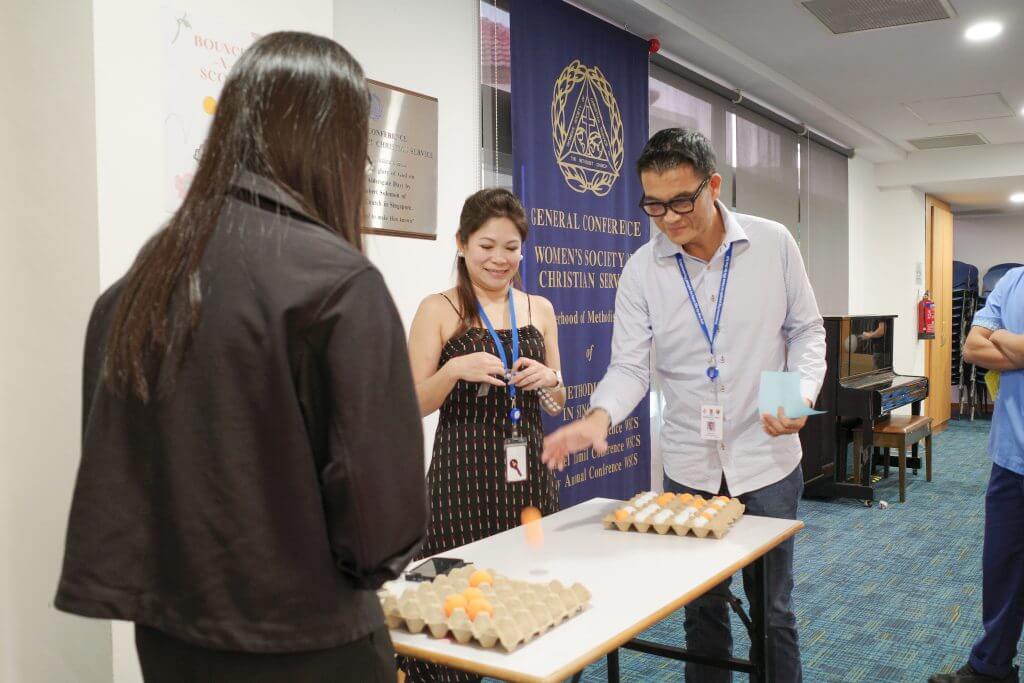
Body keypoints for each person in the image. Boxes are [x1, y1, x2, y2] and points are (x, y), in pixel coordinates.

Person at [55, 32, 426, 682]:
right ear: (336, 146)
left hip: (172, 645)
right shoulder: (338, 285)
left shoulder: (138, 287)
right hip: (311, 645)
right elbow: (382, 532)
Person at [541, 128, 825, 683]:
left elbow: (806, 331)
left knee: (773, 611)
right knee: (702, 610)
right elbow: (628, 367)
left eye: (680, 201)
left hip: (764, 457)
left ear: (713, 185)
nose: (668, 218)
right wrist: (597, 417)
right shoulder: (642, 270)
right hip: (690, 466)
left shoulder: (772, 244)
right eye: (653, 205)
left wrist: (796, 396)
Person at [403, 188, 565, 683]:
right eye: (487, 246)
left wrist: (551, 381)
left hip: (529, 483)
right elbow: (410, 404)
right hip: (460, 485)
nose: (500, 259)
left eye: (511, 247)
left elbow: (559, 401)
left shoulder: (539, 308)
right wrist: (454, 369)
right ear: (461, 244)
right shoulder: (438, 309)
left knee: (534, 607)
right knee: (453, 611)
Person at [931, 267, 1024, 683]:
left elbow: (989, 341)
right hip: (1010, 458)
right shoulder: (1013, 281)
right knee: (1002, 569)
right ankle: (992, 668)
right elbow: (971, 347)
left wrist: (1001, 337)